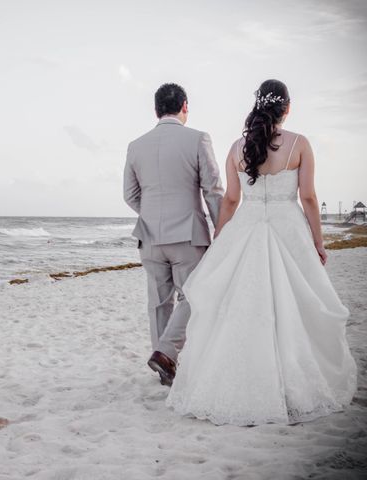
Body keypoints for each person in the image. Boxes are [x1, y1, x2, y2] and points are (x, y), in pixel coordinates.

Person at [166, 79, 357, 426]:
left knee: (243, 309)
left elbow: (231, 200)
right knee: (294, 306)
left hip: (247, 229)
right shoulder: (300, 144)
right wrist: (318, 241)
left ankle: (235, 383)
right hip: (289, 229)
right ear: (286, 107)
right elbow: (309, 198)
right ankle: (292, 386)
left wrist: (221, 236)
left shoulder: (239, 147)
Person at [123, 83, 224, 386]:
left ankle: (166, 367)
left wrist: (153, 212)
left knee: (159, 302)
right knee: (196, 294)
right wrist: (222, 229)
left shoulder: (135, 145)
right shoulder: (197, 139)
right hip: (188, 235)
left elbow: (130, 194)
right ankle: (167, 353)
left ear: (156, 110)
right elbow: (213, 190)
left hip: (149, 236)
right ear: (185, 107)